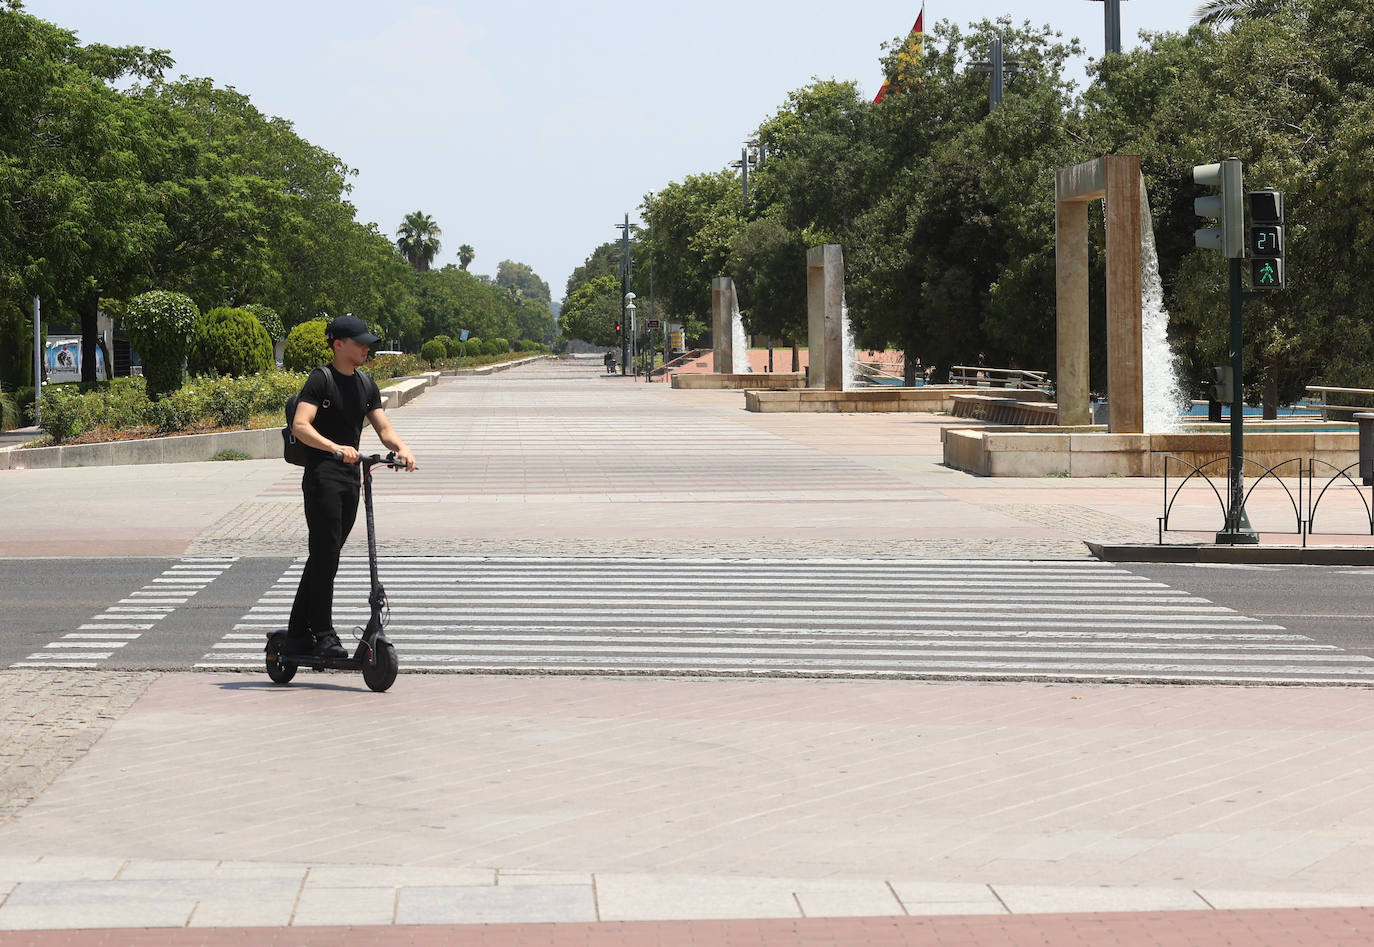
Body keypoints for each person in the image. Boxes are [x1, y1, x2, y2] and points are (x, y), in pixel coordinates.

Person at [286, 315, 417, 658]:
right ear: (338, 344)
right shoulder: (321, 379)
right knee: (326, 555)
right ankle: (323, 633)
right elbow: (301, 425)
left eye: (366, 344)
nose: (365, 349)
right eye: (359, 343)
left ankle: (297, 632)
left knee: (325, 555)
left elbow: (383, 429)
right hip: (322, 476)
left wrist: (401, 448)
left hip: (350, 477)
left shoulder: (365, 384)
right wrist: (334, 447)